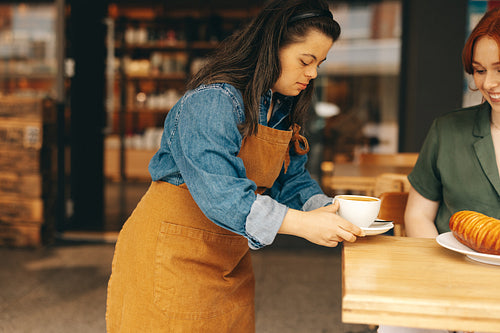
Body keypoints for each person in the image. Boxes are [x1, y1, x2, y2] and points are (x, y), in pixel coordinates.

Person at [106, 0, 364, 331]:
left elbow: (292, 180)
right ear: (271, 49)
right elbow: (221, 195)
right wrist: (303, 224)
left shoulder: (280, 108)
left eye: (319, 63)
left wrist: (332, 212)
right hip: (169, 255)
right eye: (305, 60)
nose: (313, 73)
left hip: (229, 256)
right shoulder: (212, 102)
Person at [377, 7, 500, 333]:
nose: (489, 83)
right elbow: (418, 215)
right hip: (451, 276)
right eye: (479, 70)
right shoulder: (447, 131)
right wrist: (447, 278)